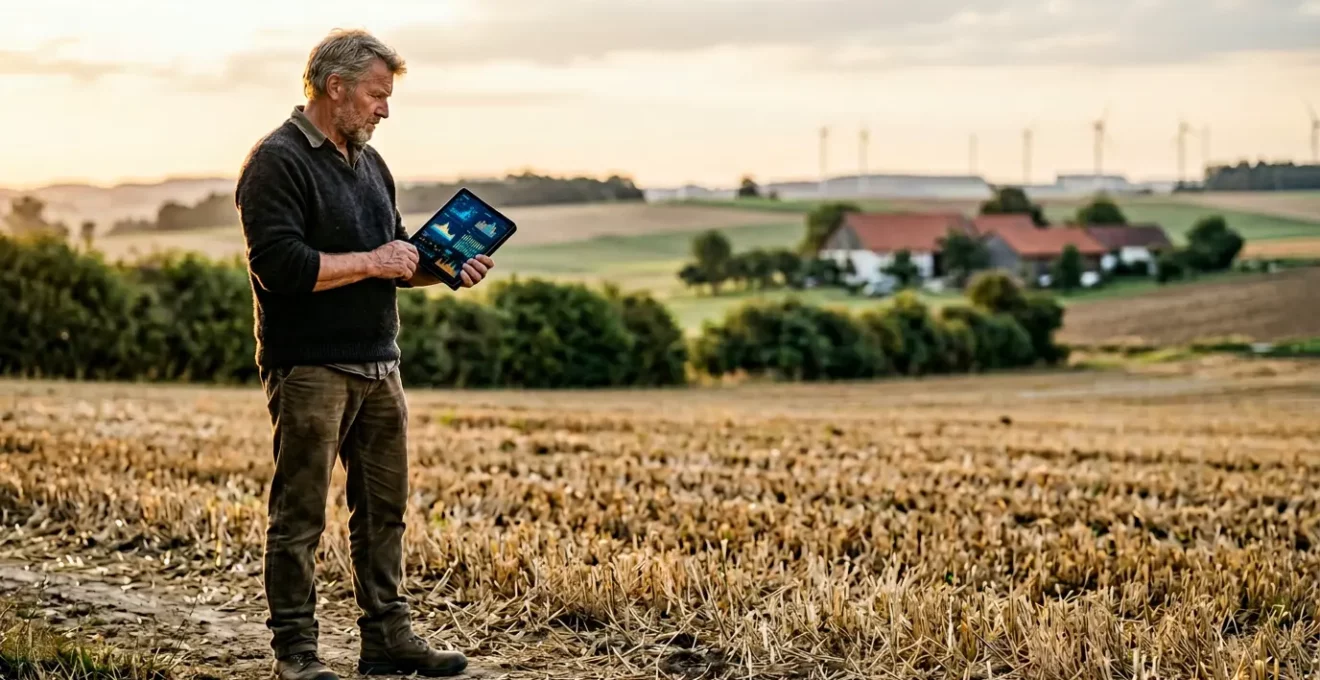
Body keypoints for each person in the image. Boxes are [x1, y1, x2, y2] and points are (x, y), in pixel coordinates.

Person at [235, 28, 494, 680]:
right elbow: (280, 267)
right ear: (337, 87)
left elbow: (396, 257)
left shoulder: (371, 164)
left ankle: (388, 639)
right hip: (311, 366)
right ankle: (296, 654)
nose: (385, 109)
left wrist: (443, 269)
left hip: (381, 362)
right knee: (299, 516)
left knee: (384, 512)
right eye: (377, 96)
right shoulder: (276, 161)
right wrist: (377, 260)